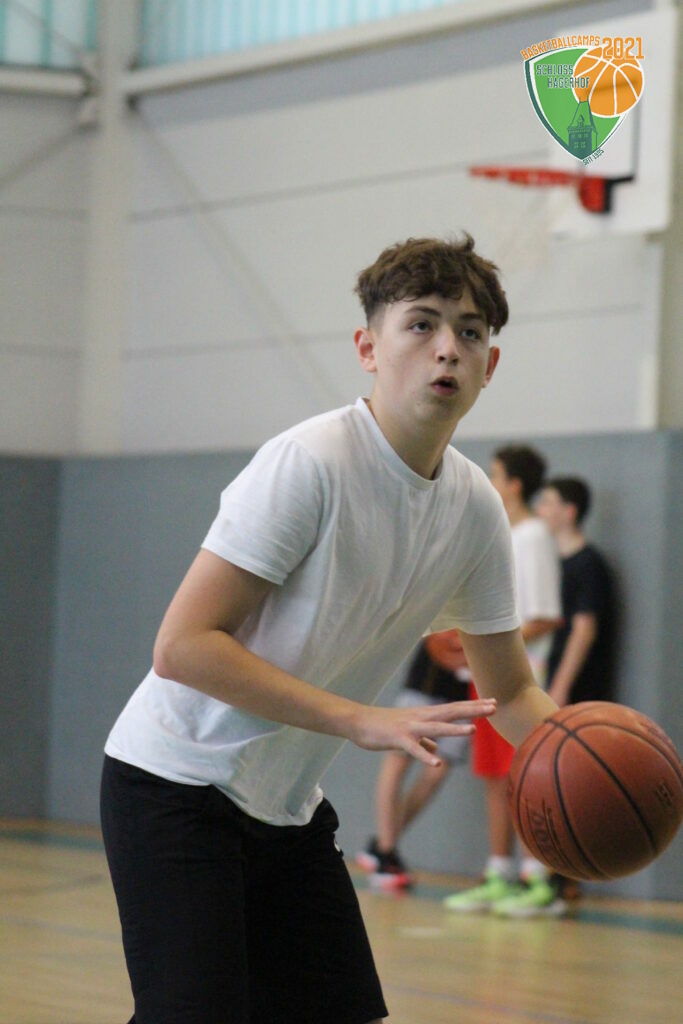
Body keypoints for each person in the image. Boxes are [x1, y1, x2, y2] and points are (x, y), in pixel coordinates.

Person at [100, 235, 559, 1024]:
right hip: (173, 783)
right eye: (421, 324)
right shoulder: (309, 463)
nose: (446, 348)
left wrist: (582, 756)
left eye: (469, 332)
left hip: (284, 807)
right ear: (367, 348)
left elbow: (511, 691)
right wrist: (357, 719)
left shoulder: (476, 509)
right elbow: (182, 647)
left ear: (489, 365)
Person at [444, 445, 564, 918]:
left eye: (496, 474)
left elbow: (545, 616)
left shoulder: (533, 536)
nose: (490, 482)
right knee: (496, 777)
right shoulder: (504, 532)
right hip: (488, 674)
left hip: (522, 678)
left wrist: (483, 642)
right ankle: (499, 872)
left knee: (530, 778)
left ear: (515, 484)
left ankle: (539, 877)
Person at [357, 629, 472, 890]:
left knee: (436, 771)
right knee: (398, 761)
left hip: (463, 691)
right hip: (425, 683)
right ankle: (386, 852)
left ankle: (381, 845)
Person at [536, 476, 615, 708]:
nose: (540, 510)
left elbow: (584, 630)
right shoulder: (556, 562)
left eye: (547, 503)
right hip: (550, 672)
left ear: (569, 511)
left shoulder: (588, 564)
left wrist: (560, 687)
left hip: (580, 688)